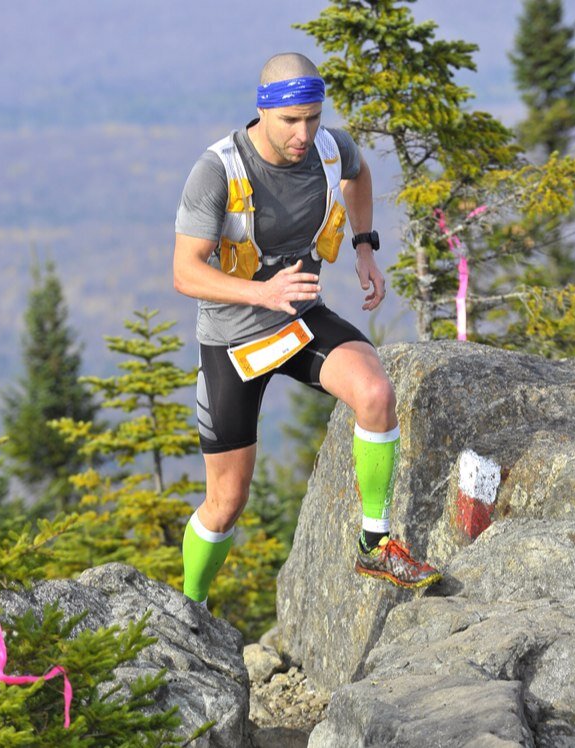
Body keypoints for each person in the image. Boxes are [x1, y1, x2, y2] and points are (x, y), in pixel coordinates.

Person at [173, 52, 441, 604]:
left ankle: (375, 544)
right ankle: (190, 604)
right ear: (263, 110)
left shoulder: (328, 147)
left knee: (374, 392)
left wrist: (366, 248)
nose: (304, 132)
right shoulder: (218, 169)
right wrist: (261, 292)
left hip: (297, 317)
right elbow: (183, 271)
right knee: (227, 501)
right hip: (234, 337)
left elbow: (359, 173)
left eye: (313, 117)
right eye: (291, 120)